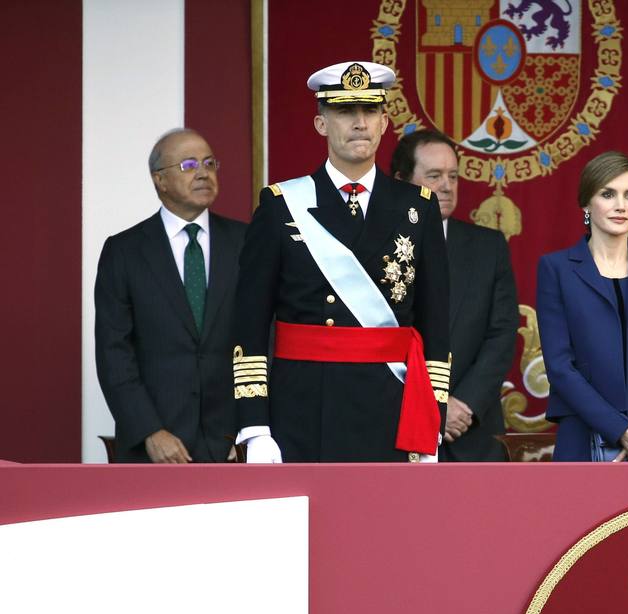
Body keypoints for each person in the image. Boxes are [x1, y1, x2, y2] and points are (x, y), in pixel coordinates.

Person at [231, 61, 450, 462]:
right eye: (345, 111)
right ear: (321, 123)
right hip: (303, 409)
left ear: (385, 122)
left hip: (392, 406)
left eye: (369, 111)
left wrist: (433, 415)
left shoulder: (418, 208)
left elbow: (435, 323)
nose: (359, 123)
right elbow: (249, 322)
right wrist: (255, 426)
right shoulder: (281, 205)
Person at [94, 128, 247, 463]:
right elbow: (113, 353)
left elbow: (263, 338)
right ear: (159, 181)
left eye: (209, 163)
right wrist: (149, 431)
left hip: (233, 445)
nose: (204, 173)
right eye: (189, 165)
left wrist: (249, 432)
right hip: (156, 446)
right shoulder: (124, 252)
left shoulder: (246, 243)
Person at [536, 151, 628, 461]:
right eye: (608, 194)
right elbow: (560, 368)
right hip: (582, 433)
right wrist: (621, 431)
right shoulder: (556, 268)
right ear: (586, 203)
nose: (621, 205)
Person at [391, 129, 518, 461]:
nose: (447, 186)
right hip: (393, 429)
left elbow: (501, 335)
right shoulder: (373, 246)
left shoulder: (488, 247)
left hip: (471, 432)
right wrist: (429, 409)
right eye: (434, 176)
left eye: (453, 176)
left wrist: (463, 404)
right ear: (402, 181)